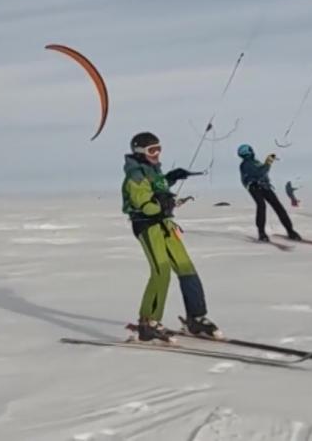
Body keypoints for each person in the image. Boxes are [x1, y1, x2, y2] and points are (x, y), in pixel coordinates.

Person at [122, 131, 221, 342]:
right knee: (161, 271)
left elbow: (158, 187)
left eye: (159, 148)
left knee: (186, 268)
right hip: (147, 225)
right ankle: (147, 322)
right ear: (139, 152)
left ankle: (196, 318)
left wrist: (171, 178)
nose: (157, 153)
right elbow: (144, 203)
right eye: (152, 150)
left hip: (165, 224)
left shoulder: (153, 170)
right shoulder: (135, 174)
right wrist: (161, 204)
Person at [237, 144, 301, 242]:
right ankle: (262, 233)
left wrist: (268, 162)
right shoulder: (245, 164)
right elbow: (259, 172)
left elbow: (262, 170)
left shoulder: (255, 162)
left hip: (265, 186)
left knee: (278, 207)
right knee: (261, 206)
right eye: (251, 150)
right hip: (254, 188)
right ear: (248, 152)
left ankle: (290, 231)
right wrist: (268, 162)